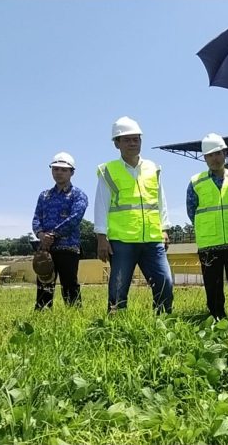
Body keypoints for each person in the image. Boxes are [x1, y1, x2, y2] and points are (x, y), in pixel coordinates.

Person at [95, 116, 174, 314]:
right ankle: (115, 326)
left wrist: (164, 228)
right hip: (122, 241)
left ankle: (164, 322)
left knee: (165, 283)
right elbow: (101, 205)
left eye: (136, 139)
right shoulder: (108, 171)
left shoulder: (153, 168)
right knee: (118, 288)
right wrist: (101, 238)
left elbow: (160, 200)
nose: (133, 143)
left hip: (152, 239)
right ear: (117, 144)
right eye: (127, 139)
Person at [187, 133, 228, 328]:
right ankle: (217, 320)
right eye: (209, 155)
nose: (214, 158)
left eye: (218, 153)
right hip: (209, 242)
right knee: (213, 286)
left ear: (225, 153)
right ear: (204, 158)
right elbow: (192, 211)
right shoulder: (195, 182)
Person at [31, 152, 88, 309]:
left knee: (69, 284)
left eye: (63, 170)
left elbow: (75, 218)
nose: (59, 173)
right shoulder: (44, 195)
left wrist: (53, 234)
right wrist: (41, 235)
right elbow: (36, 218)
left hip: (68, 248)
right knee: (44, 286)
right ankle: (42, 316)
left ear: (72, 172)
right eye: (56, 169)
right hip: (46, 249)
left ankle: (74, 317)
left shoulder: (78, 195)